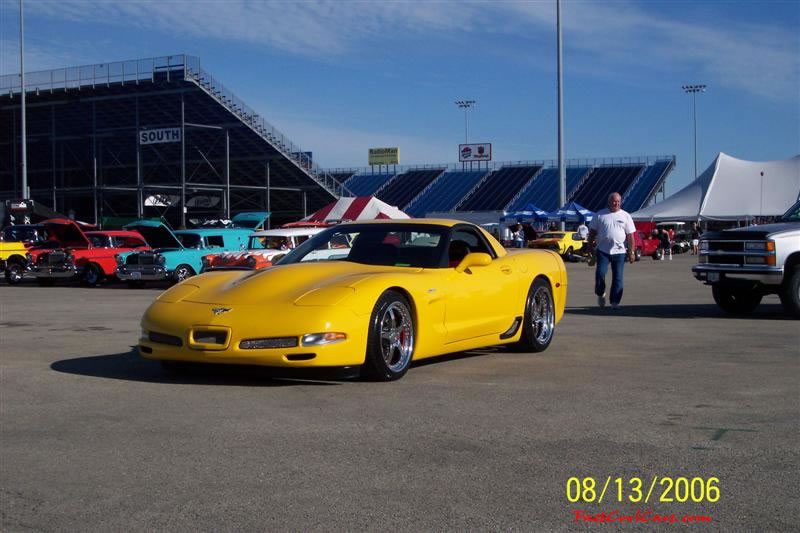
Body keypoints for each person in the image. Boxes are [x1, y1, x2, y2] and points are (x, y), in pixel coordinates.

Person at [588, 192, 636, 309]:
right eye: (614, 201)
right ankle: (600, 293)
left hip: (619, 252)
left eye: (618, 201)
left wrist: (631, 252)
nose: (616, 203)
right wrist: (591, 250)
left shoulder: (626, 216)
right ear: (609, 202)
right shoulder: (600, 215)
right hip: (602, 251)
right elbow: (592, 234)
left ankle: (615, 302)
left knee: (618, 277)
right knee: (600, 273)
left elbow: (630, 236)